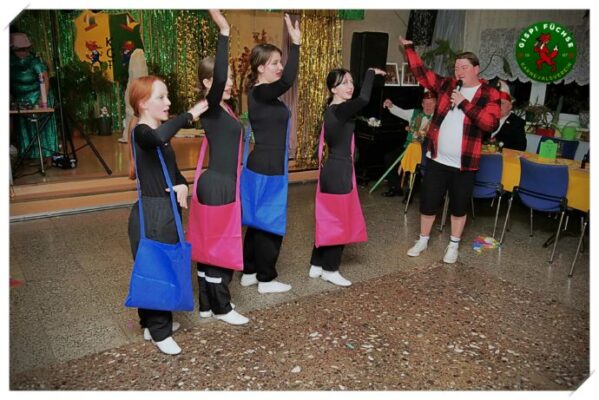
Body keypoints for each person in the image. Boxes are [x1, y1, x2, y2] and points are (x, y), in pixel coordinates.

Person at [399, 36, 501, 264]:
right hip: (437, 158)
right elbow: (422, 74)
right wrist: (409, 48)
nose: (459, 71)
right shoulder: (447, 85)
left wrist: (464, 103)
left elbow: (490, 124)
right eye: (456, 67)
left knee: (458, 207)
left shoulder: (489, 94)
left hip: (465, 164)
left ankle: (453, 245)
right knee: (428, 203)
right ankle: (423, 240)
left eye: (464, 67)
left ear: (476, 69)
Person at [127, 75, 208, 355]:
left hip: (163, 212)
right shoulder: (142, 132)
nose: (168, 102)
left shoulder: (158, 138)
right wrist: (189, 115)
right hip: (153, 214)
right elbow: (158, 136)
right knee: (157, 269)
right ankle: (160, 331)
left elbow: (172, 172)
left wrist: (182, 184)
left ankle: (150, 324)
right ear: (142, 103)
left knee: (157, 265)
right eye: (161, 97)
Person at [191, 10, 249, 325]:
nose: (229, 83)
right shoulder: (211, 105)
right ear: (207, 82)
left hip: (218, 182)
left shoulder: (223, 108)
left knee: (210, 242)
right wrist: (224, 31)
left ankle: (207, 305)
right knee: (220, 244)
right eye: (222, 78)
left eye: (229, 78)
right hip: (218, 183)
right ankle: (223, 308)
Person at [240, 14, 301, 294]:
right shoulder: (261, 91)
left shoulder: (262, 94)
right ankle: (266, 279)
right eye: (275, 63)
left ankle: (250, 271)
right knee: (270, 222)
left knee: (257, 221)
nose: (280, 67)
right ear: (261, 68)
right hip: (267, 165)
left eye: (280, 62)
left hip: (262, 163)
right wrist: (295, 45)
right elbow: (288, 80)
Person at [309, 67, 386, 286]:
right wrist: (370, 73)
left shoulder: (332, 110)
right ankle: (330, 269)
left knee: (328, 217)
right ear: (333, 89)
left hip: (332, 169)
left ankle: (316, 264)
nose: (350, 86)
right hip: (339, 170)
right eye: (344, 83)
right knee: (338, 221)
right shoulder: (340, 109)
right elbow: (363, 99)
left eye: (351, 81)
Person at [9, 32, 59, 159]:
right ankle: (29, 155)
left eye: (26, 48)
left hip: (39, 97)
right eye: (20, 49)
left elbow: (45, 79)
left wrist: (42, 99)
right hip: (21, 100)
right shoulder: (10, 63)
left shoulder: (34, 62)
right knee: (26, 129)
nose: (24, 52)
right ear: (13, 49)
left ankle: (46, 155)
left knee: (41, 129)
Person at [381, 90, 437, 197]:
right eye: (425, 103)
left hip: (424, 151)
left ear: (436, 104)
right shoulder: (414, 113)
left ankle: (412, 193)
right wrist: (391, 105)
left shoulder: (438, 119)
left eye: (431, 103)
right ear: (422, 104)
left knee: (418, 166)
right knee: (390, 157)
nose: (428, 106)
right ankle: (396, 188)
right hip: (408, 147)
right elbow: (400, 112)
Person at [487, 80, 527, 151]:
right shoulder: (485, 117)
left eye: (502, 103)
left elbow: (521, 147)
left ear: (510, 106)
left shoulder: (517, 122)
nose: (498, 106)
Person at [119, 49, 148, 144]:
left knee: (133, 114)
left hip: (135, 88)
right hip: (138, 87)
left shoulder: (135, 60)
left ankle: (131, 135)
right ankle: (135, 135)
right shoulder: (142, 76)